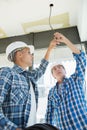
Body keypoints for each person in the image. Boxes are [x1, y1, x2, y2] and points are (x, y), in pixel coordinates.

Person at [0, 40, 58, 130]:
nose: (32, 55)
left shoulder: (30, 77)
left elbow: (41, 69)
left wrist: (49, 49)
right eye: (29, 52)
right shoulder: (7, 73)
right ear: (19, 54)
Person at [45, 32, 87, 130]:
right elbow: (49, 114)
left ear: (65, 70)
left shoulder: (76, 79)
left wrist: (65, 40)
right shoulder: (51, 93)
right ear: (53, 76)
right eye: (54, 69)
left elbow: (82, 59)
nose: (57, 69)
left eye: (60, 67)